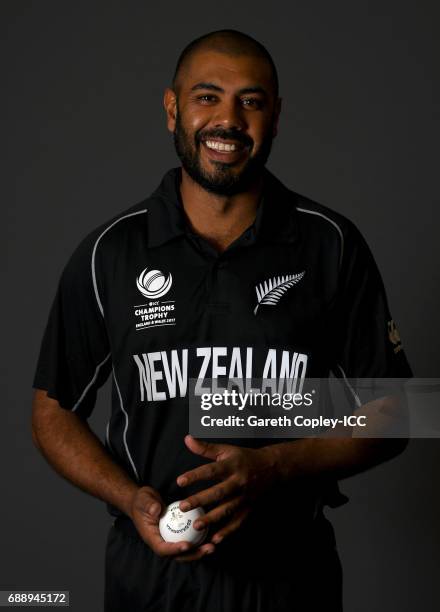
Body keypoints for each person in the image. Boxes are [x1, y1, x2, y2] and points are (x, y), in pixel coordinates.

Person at [32, 29, 413, 611]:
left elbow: (400, 409)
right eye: (207, 97)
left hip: (290, 575)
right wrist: (129, 496)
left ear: (276, 117)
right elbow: (52, 410)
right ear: (172, 109)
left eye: (250, 101)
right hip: (149, 579)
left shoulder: (330, 243)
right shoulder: (111, 251)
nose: (228, 120)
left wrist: (274, 465)